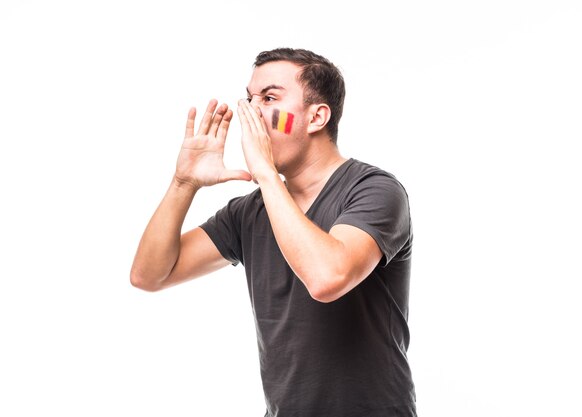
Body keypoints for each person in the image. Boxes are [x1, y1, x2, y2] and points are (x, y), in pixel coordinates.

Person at [130, 48, 416, 416]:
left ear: (316, 117)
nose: (250, 112)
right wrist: (183, 182)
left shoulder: (375, 190)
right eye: (250, 99)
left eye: (269, 98)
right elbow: (150, 275)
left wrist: (264, 170)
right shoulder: (249, 212)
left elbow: (327, 277)